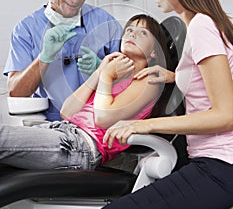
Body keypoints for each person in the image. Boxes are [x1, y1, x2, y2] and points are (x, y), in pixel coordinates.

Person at [83, 0, 233, 209]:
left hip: (221, 166)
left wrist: (145, 126)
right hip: (216, 162)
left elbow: (226, 114)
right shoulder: (214, 22)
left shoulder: (201, 26)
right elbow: (220, 77)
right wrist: (174, 76)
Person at [0, 14, 171, 170]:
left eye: (143, 33)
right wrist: (98, 73)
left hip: (81, 145)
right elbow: (67, 112)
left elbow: (103, 119)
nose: (132, 34)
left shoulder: (149, 81)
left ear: (154, 51)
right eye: (129, 30)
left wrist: (106, 76)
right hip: (64, 130)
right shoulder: (116, 74)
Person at [4, 0, 122, 121]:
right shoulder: (26, 30)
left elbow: (130, 83)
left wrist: (102, 70)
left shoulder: (105, 23)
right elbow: (17, 92)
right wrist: (44, 58)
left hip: (98, 122)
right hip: (51, 125)